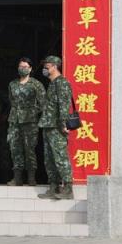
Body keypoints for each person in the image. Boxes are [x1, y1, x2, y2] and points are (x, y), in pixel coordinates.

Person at [37, 55, 74, 200]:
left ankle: (68, 188)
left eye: (47, 66)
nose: (45, 69)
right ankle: (53, 186)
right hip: (47, 124)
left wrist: (63, 123)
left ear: (54, 66)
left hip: (57, 126)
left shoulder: (62, 83)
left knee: (60, 157)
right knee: (49, 158)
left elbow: (64, 105)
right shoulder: (52, 84)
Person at [6, 57, 46, 186]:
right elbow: (11, 100)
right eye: (20, 66)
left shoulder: (36, 84)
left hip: (30, 122)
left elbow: (43, 103)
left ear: (30, 69)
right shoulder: (12, 84)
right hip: (14, 121)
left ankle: (31, 177)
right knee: (15, 148)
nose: (22, 69)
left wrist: (31, 111)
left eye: (25, 67)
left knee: (29, 149)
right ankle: (17, 178)